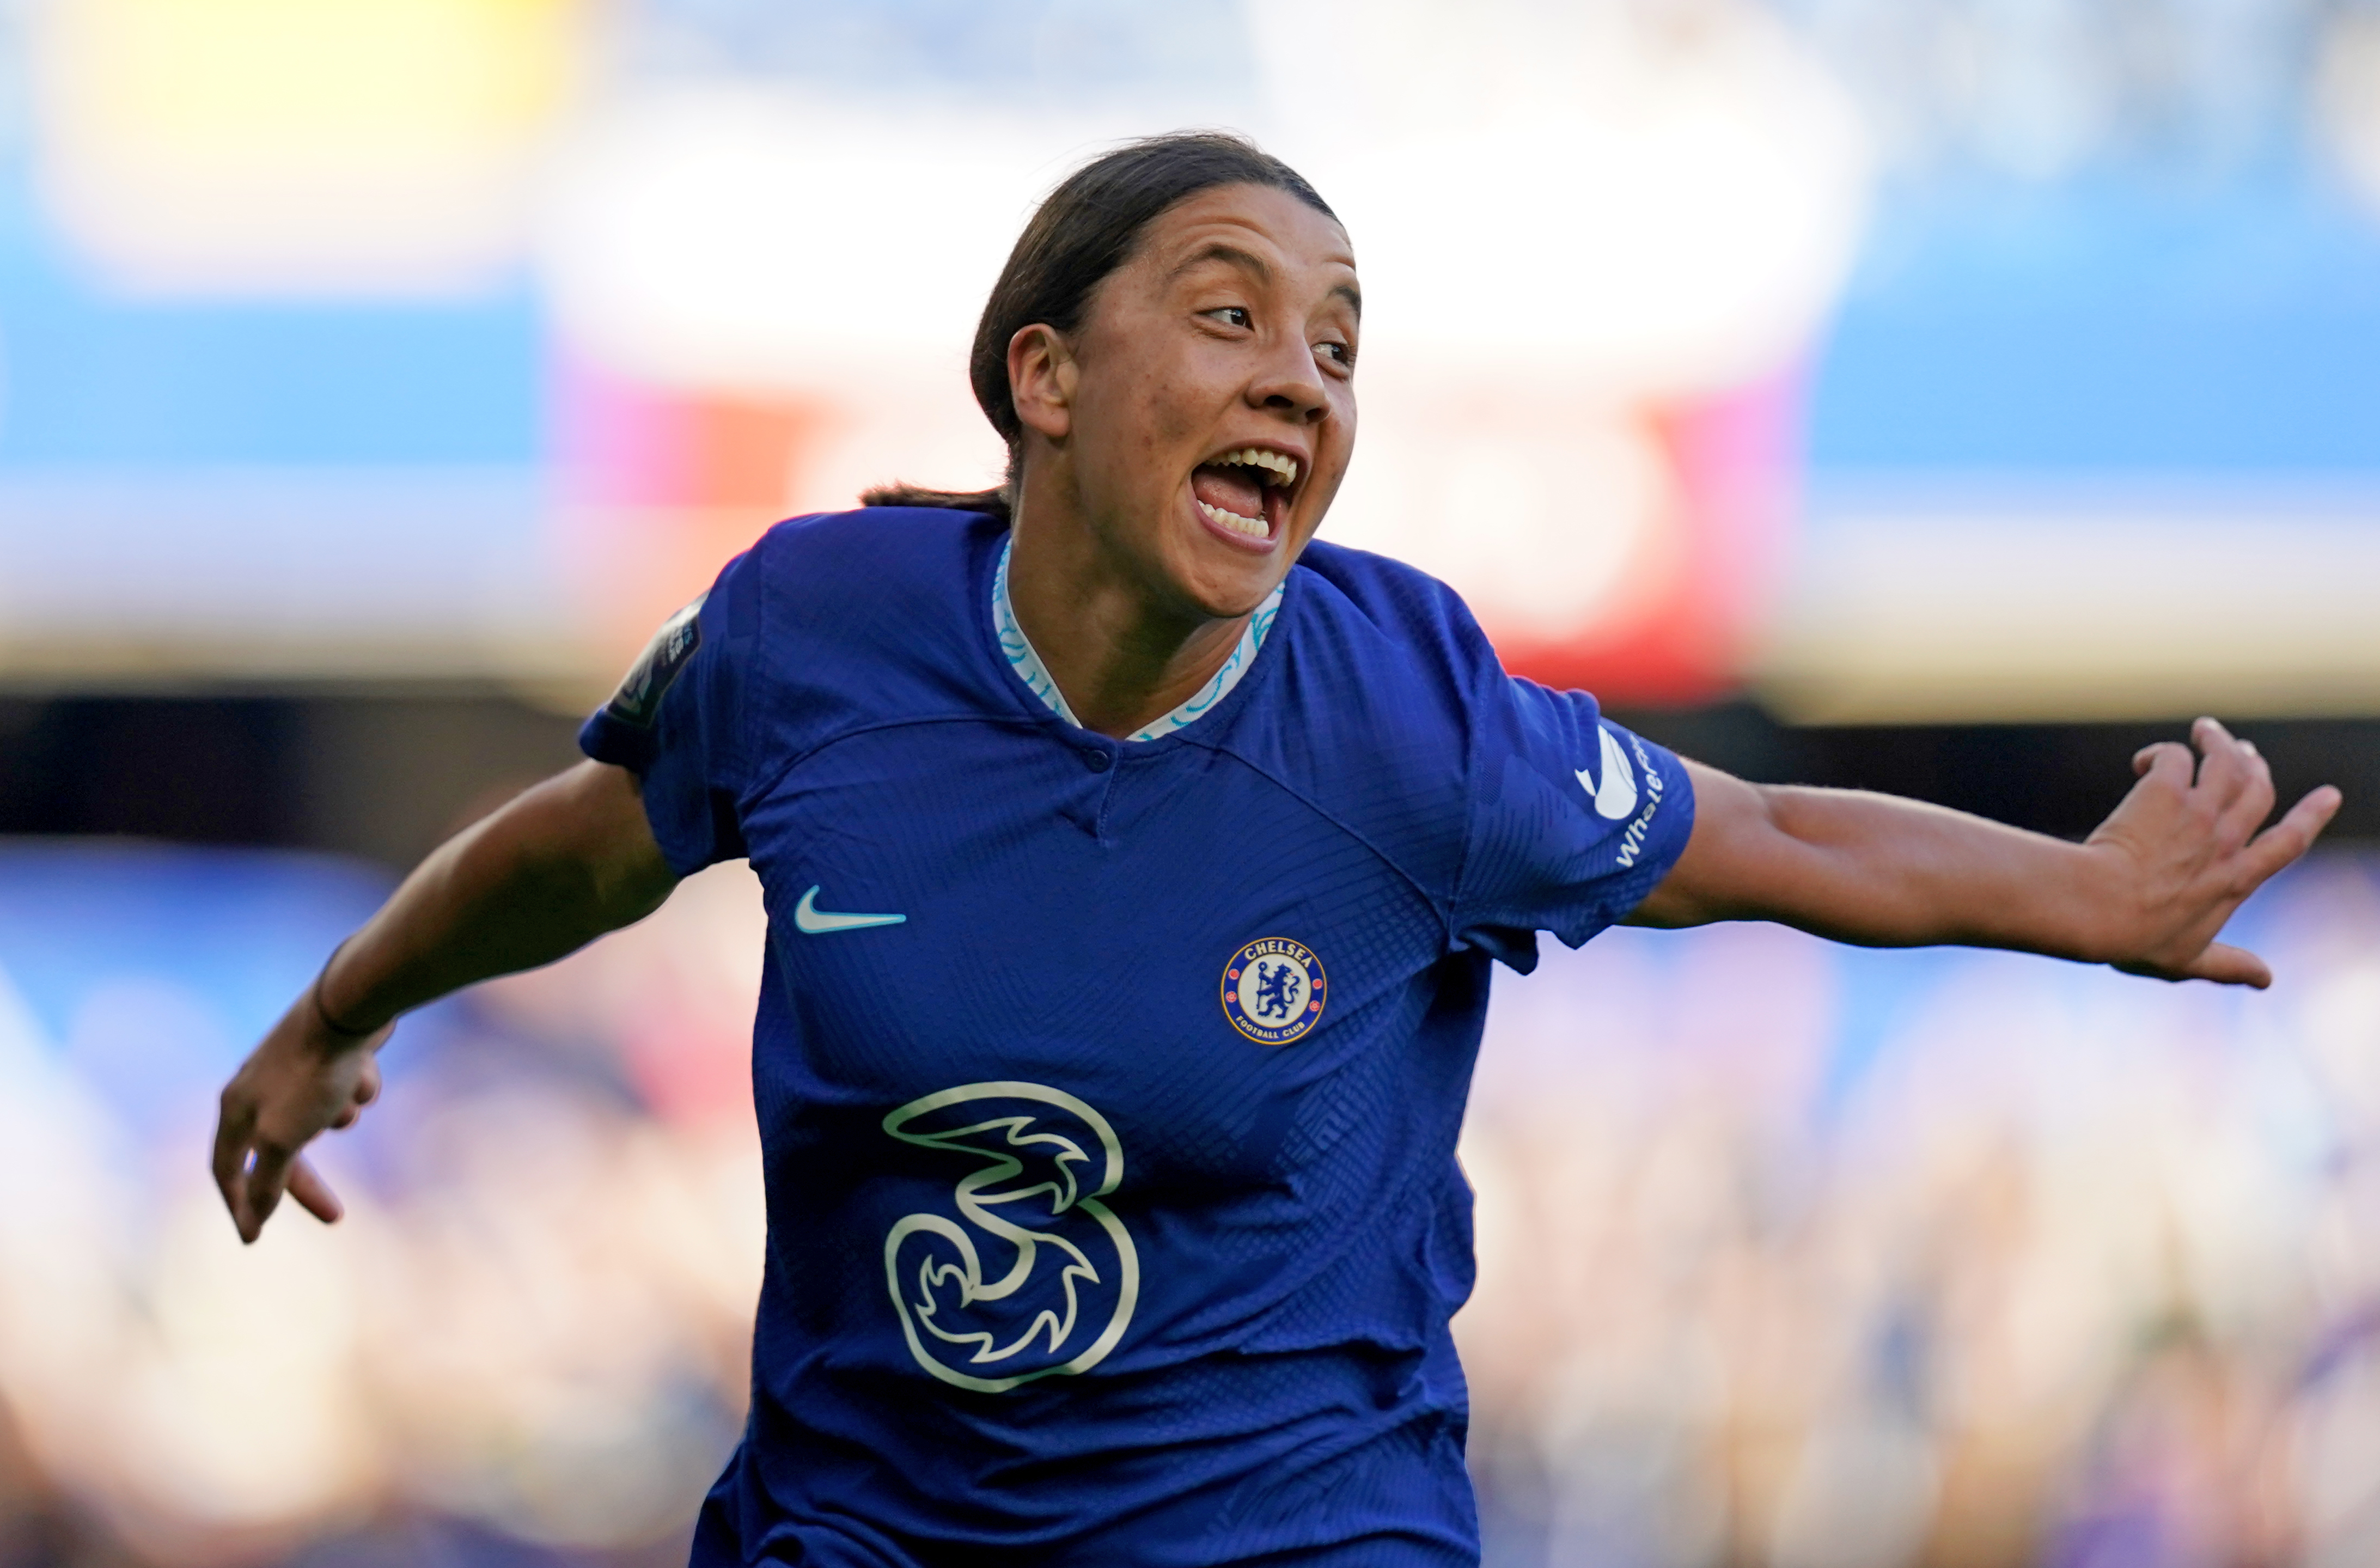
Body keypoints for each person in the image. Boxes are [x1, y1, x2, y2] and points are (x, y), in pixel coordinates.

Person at [212, 132, 2339, 1565]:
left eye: (1339, 345)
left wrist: (2083, 893)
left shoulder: (1406, 717)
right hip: (862, 1530)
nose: (1302, 380)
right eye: (1232, 314)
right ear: (1043, 376)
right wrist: (335, 1013)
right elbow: (593, 844)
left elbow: (1768, 829)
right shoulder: (808, 641)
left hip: (1297, 1532)